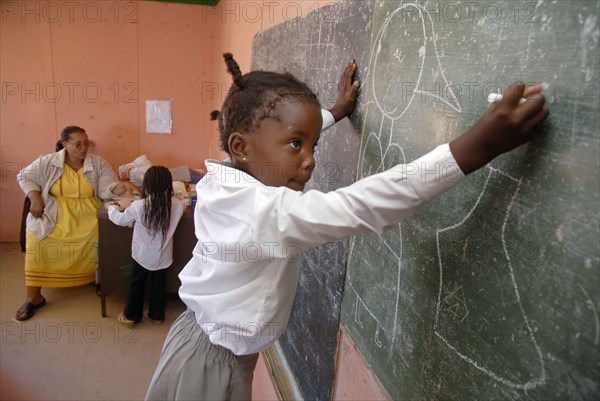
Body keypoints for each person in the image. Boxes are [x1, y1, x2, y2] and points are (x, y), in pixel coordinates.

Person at [145, 53, 549, 400]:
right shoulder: (264, 211)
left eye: (313, 144)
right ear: (240, 146)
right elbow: (359, 205)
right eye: (296, 144)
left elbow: (283, 130)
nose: (310, 161)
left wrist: (333, 113)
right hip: (213, 363)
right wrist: (479, 145)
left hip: (197, 341)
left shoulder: (226, 179)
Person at [16, 126, 139, 321]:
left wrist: (121, 187)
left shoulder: (98, 164)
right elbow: (24, 176)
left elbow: (106, 187)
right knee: (37, 239)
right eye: (78, 144)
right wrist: (35, 197)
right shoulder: (48, 161)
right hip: (54, 211)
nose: (84, 148)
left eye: (86, 143)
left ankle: (97, 279)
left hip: (88, 213)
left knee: (101, 234)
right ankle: (34, 297)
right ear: (65, 144)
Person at [107, 166, 185, 329]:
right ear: (169, 186)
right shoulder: (176, 204)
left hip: (142, 254)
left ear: (147, 188)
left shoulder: (140, 206)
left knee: (137, 284)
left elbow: (121, 220)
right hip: (163, 255)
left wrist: (112, 208)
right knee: (159, 284)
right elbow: (180, 207)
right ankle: (157, 315)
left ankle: (130, 316)